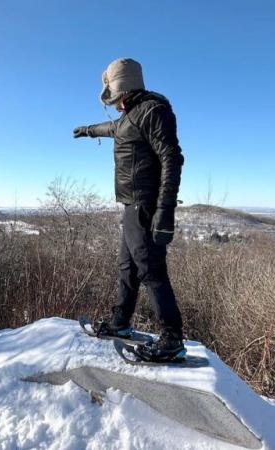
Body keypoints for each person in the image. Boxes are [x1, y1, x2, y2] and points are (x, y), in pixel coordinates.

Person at [73, 58, 186, 361]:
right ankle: (120, 322)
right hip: (130, 205)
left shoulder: (152, 110)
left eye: (113, 95)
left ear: (122, 89)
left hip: (145, 205)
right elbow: (113, 128)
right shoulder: (132, 114)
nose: (113, 105)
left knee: (150, 269)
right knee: (128, 267)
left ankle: (172, 337)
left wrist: (165, 210)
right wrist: (88, 130)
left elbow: (172, 159)